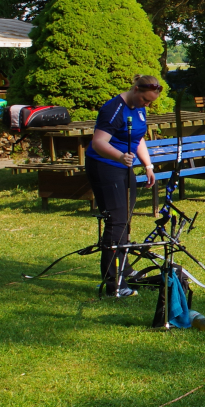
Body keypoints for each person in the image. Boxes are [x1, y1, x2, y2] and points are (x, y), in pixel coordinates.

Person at [86, 75, 162, 297]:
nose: (146, 105)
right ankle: (113, 284)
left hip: (123, 166)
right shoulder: (113, 109)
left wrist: (148, 165)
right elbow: (98, 142)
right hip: (105, 166)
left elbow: (138, 138)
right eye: (145, 100)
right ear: (135, 89)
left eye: (150, 102)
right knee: (116, 221)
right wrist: (119, 156)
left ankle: (125, 269)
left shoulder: (139, 108)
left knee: (125, 219)